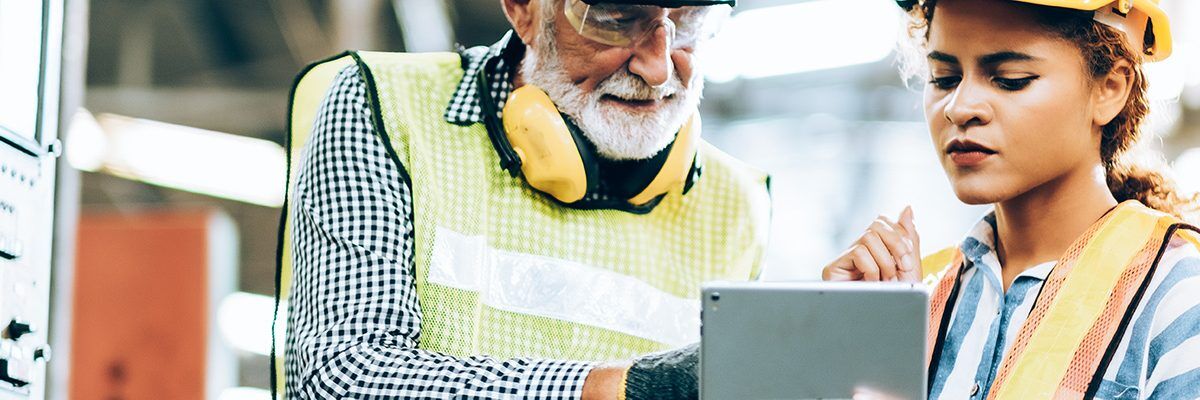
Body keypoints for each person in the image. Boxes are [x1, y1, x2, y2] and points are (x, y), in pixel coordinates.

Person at [276, 0, 770, 398]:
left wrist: (820, 335)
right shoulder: (389, 108)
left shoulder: (735, 200)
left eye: (692, 20)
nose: (660, 68)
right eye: (616, 19)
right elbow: (344, 379)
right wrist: (625, 389)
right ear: (523, 11)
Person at [822, 0, 1200, 398]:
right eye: (944, 78)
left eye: (1010, 78)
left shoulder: (1178, 298)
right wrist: (856, 350)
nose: (959, 108)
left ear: (1110, 87)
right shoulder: (921, 299)